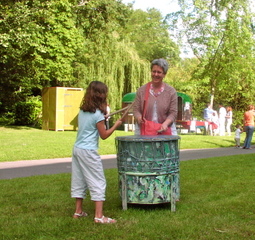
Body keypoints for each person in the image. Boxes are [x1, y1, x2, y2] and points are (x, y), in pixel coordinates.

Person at [71, 81, 122, 224]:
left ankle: (78, 211)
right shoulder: (98, 114)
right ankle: (99, 216)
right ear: (100, 95)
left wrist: (101, 119)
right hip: (89, 151)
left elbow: (91, 124)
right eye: (103, 92)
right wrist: (116, 125)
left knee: (79, 180)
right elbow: (104, 135)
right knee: (98, 181)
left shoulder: (82, 110)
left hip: (77, 149)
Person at [133, 58, 178, 135]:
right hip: (145, 130)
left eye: (159, 72)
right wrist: (139, 117)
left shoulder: (171, 92)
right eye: (154, 71)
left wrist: (166, 123)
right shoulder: (141, 90)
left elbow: (173, 113)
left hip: (165, 130)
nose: (155, 74)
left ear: (164, 74)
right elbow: (136, 110)